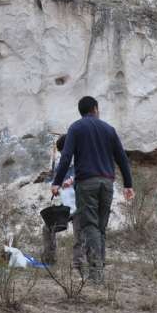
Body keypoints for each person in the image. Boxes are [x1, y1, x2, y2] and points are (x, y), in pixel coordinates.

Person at [51, 96, 134, 284]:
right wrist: (128, 184)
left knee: (90, 226)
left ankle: (96, 276)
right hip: (107, 183)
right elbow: (122, 159)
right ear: (95, 108)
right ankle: (99, 272)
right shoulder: (109, 129)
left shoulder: (76, 128)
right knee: (101, 227)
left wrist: (56, 182)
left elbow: (66, 157)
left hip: (87, 183)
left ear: (81, 111)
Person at [41, 134, 82, 267]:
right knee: (47, 228)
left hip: (81, 205)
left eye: (63, 152)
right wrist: (55, 187)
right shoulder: (61, 165)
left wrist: (72, 179)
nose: (63, 155)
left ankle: (79, 264)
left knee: (79, 236)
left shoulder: (82, 160)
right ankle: (49, 260)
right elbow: (55, 182)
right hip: (66, 206)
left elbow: (86, 175)